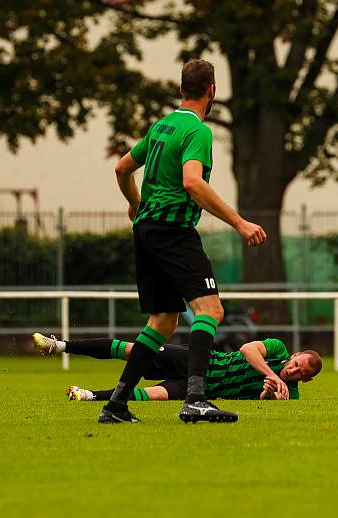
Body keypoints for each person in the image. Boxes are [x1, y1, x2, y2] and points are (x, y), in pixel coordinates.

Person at [105, 59, 266, 424]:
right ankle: (195, 397)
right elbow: (193, 182)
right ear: (212, 91)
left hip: (145, 230)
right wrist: (239, 223)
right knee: (210, 311)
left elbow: (122, 167)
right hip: (172, 231)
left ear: (181, 90)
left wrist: (135, 203)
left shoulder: (162, 125)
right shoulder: (197, 132)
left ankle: (115, 404)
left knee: (162, 321)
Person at [32, 333, 320, 401]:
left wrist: (268, 394)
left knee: (156, 395)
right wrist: (269, 374)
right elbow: (247, 349)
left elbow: (260, 404)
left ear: (304, 381)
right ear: (293, 355)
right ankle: (58, 345)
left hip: (202, 389)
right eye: (297, 364)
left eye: (301, 373)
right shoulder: (278, 350)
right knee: (135, 350)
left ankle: (89, 395)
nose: (294, 371)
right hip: (199, 362)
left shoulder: (290, 396)